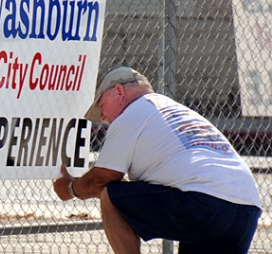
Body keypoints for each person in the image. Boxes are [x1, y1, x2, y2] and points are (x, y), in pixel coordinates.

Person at [52, 66, 262, 254]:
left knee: (111, 196)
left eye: (101, 105)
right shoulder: (176, 111)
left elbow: (101, 180)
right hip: (246, 208)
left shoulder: (132, 115)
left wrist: (70, 188)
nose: (103, 117)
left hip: (201, 204)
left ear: (118, 91)